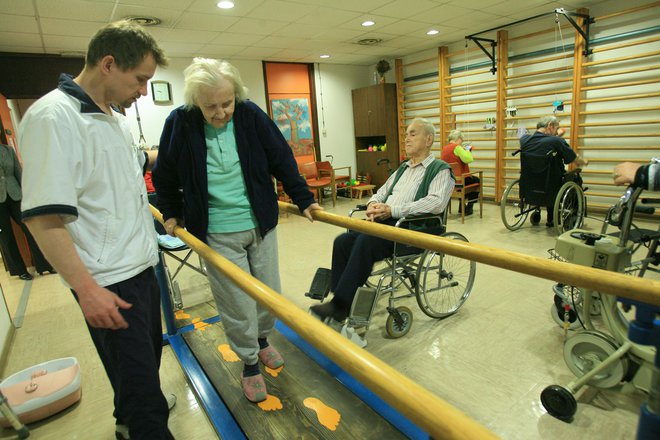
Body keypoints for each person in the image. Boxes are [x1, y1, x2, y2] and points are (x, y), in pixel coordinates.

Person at [18, 21, 174, 440]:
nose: (143, 91)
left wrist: (184, 136)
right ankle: (142, 424)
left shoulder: (113, 119)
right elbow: (42, 217)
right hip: (108, 283)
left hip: (141, 268)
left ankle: (128, 418)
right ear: (108, 64)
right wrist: (87, 289)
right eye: (140, 79)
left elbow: (139, 167)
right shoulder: (54, 117)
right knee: (147, 398)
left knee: (145, 366)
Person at [152, 58, 321, 403]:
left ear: (236, 95)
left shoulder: (249, 114)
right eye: (210, 106)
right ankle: (248, 363)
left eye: (226, 103)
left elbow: (281, 158)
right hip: (215, 229)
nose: (220, 112)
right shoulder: (180, 122)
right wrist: (170, 211)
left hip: (260, 223)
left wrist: (304, 198)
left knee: (268, 292)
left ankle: (262, 341)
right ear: (195, 101)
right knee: (236, 301)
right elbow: (165, 173)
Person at [310, 118, 454, 322]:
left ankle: (341, 305)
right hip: (387, 223)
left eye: (413, 134)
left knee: (366, 241)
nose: (407, 138)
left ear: (428, 139)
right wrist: (372, 205)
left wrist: (393, 209)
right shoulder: (403, 169)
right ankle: (340, 295)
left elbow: (436, 203)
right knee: (342, 241)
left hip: (415, 228)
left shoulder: (440, 170)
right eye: (406, 134)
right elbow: (380, 192)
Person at [520, 116, 587, 227]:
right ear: (550, 126)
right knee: (575, 178)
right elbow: (573, 159)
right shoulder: (557, 141)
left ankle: (545, 213)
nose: (557, 131)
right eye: (556, 128)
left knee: (549, 177)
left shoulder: (524, 140)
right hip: (551, 185)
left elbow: (541, 141)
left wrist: (555, 135)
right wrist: (583, 161)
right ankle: (571, 215)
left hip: (530, 184)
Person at [0, 143, 54, 280]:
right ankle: (19, 270)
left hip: (16, 194)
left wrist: (27, 192)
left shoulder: (8, 150)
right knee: (6, 237)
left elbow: (18, 171)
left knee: (31, 229)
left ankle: (45, 265)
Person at [440, 130, 479, 215]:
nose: (462, 142)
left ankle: (462, 205)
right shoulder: (457, 147)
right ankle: (469, 207)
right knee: (477, 181)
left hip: (449, 181)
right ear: (458, 138)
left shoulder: (444, 149)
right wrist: (468, 151)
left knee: (464, 181)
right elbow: (469, 159)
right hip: (460, 181)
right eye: (461, 140)